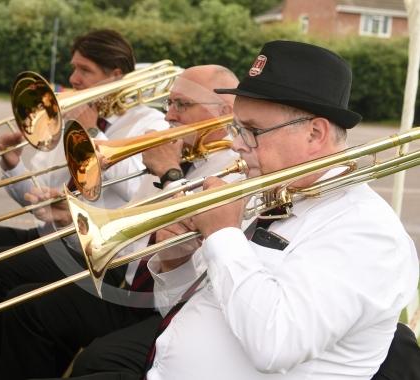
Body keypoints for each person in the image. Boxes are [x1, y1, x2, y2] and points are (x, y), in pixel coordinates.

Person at [143, 40, 419, 379]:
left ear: (314, 133)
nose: (236, 143)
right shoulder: (274, 193)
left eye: (253, 130)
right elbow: (184, 304)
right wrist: (177, 259)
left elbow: (274, 345)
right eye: (237, 127)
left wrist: (222, 234)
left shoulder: (369, 233)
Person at [0, 29, 169, 380]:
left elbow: (136, 182)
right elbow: (36, 197)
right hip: (54, 235)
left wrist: (92, 135)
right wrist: (13, 163)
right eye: (74, 68)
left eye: (84, 70)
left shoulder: (150, 122)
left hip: (93, 253)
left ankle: (11, 366)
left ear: (116, 75)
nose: (73, 79)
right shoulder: (71, 120)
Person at [0, 64, 245, 380]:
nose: (169, 115)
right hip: (128, 286)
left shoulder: (233, 168)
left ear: (224, 112)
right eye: (169, 103)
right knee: (26, 307)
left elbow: (196, 252)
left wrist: (171, 173)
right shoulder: (172, 153)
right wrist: (69, 214)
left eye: (182, 105)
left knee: (97, 358)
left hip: (172, 307)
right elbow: (128, 224)